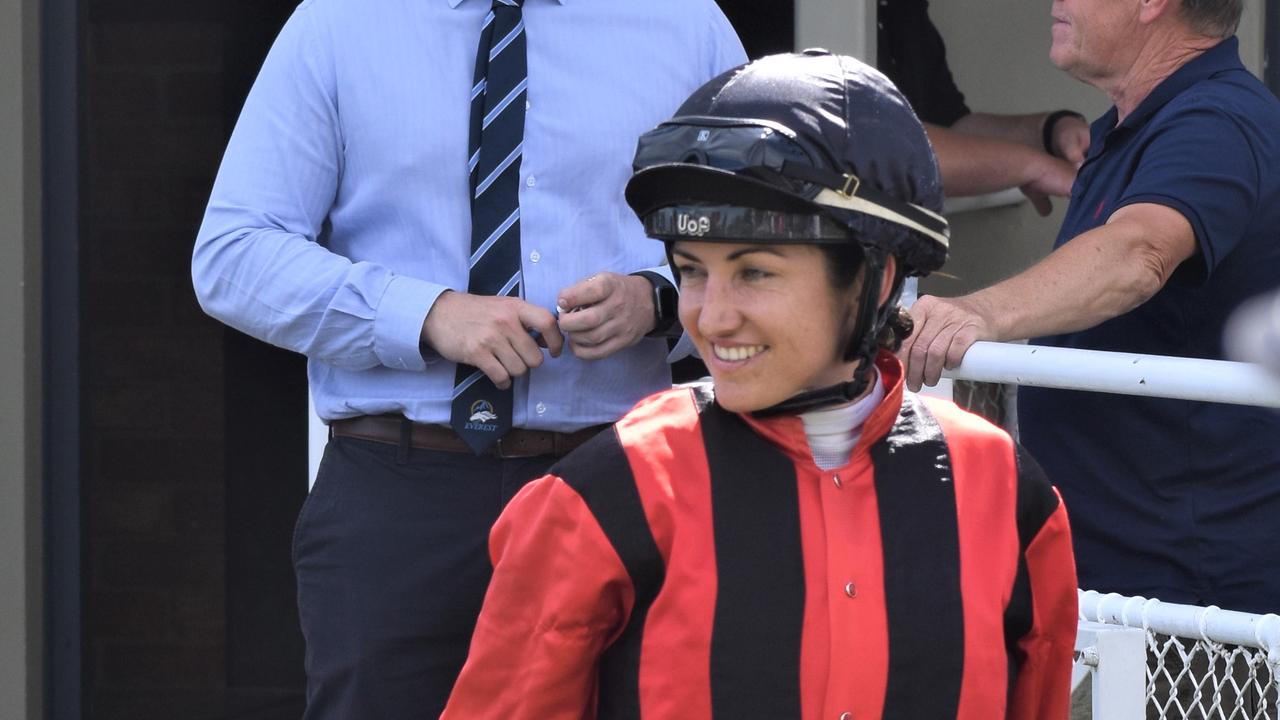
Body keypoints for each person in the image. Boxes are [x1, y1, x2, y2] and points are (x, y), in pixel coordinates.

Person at [442, 51, 1078, 720]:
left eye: (755, 273)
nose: (711, 317)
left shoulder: (1006, 489)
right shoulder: (609, 490)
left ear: (876, 281)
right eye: (691, 270)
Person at [191, 1, 745, 716]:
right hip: (400, 499)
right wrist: (425, 314)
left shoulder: (684, 23)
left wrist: (660, 300)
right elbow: (234, 256)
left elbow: (759, 232)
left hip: (619, 481)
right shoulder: (337, 24)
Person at [900, 0, 1280, 614]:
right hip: (1118, 582)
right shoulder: (1145, 121)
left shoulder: (1217, 119)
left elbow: (1139, 253)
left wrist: (977, 314)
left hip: (1191, 606)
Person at [877, 0, 1087, 216]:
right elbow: (869, 143)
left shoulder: (902, 8)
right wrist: (1033, 167)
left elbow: (951, 130)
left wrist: (1050, 129)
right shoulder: (844, 16)